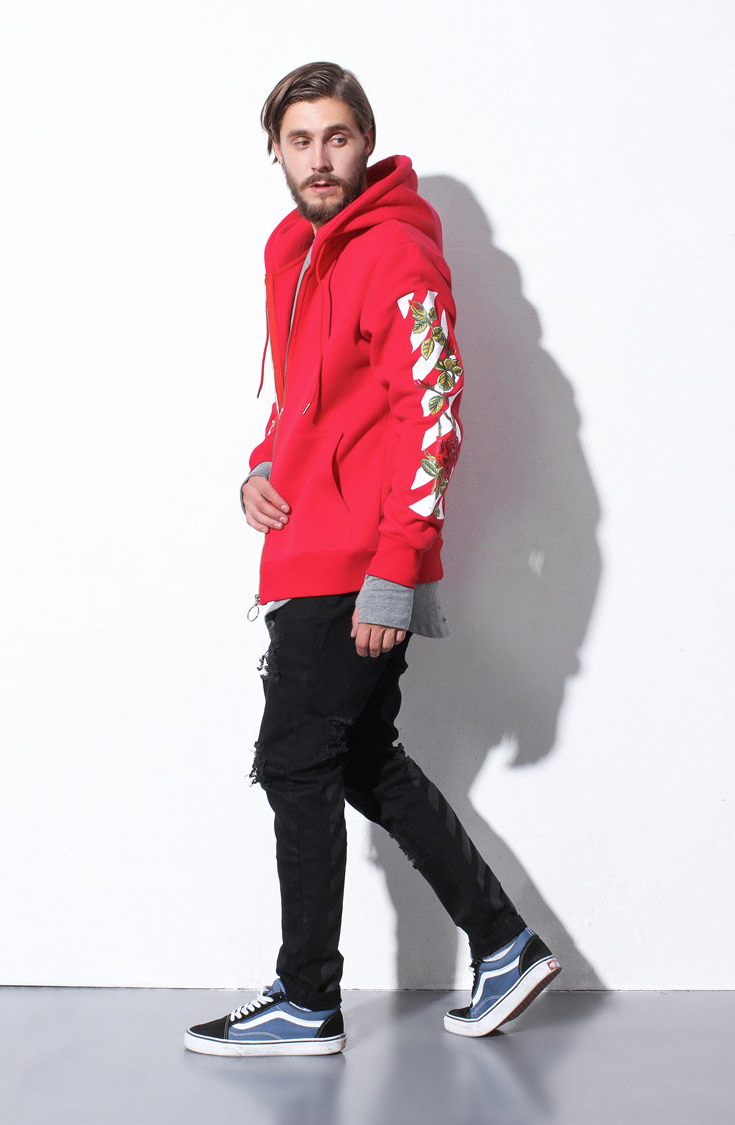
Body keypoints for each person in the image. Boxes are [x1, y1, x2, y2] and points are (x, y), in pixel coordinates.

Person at [184, 62, 560, 1058]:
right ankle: (505, 946)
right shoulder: (291, 250)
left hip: (353, 562)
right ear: (275, 149)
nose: (320, 158)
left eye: (338, 137)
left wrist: (398, 569)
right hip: (306, 544)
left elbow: (433, 414)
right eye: (300, 140)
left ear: (367, 142)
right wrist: (261, 467)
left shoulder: (394, 250)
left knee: (294, 763)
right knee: (357, 760)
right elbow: (308, 400)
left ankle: (307, 996)